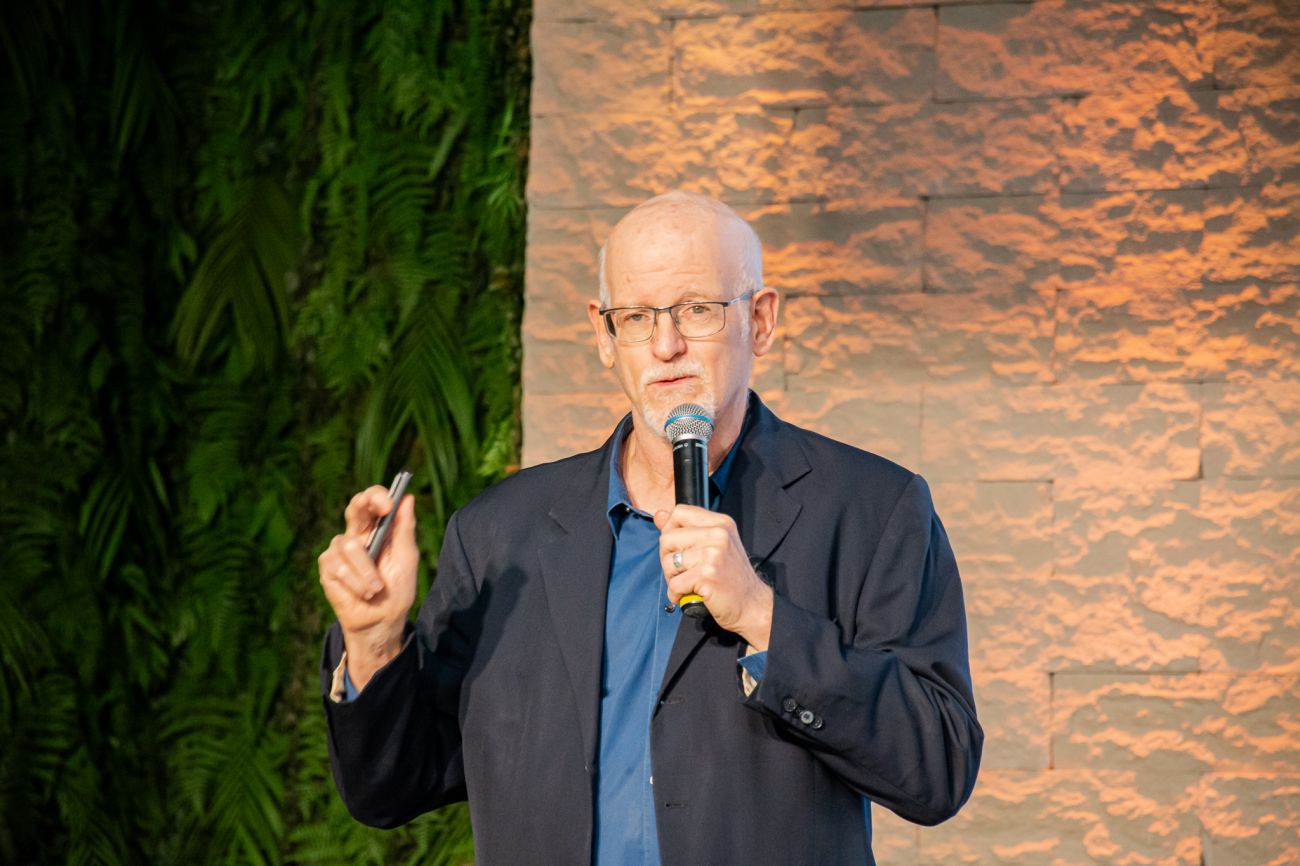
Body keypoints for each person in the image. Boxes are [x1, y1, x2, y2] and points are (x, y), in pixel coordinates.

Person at [317, 191, 982, 865]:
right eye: (635, 317)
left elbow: (938, 770)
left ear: (759, 320)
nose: (666, 347)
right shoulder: (500, 535)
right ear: (604, 336)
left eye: (697, 310)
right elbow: (389, 789)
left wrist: (763, 618)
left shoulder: (872, 510)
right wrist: (373, 642)